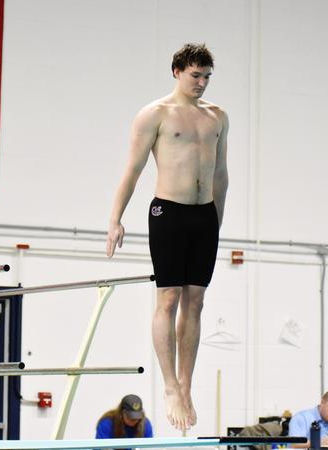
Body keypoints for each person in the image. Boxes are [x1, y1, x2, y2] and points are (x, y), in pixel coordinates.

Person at [106, 42, 229, 431]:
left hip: (204, 215)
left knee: (197, 302)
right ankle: (171, 386)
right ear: (177, 71)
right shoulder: (155, 114)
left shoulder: (218, 117)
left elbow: (221, 174)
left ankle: (187, 385)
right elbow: (133, 169)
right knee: (170, 298)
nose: (201, 83)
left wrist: (217, 221)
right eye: (195, 75)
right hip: (168, 212)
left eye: (207, 76)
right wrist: (115, 219)